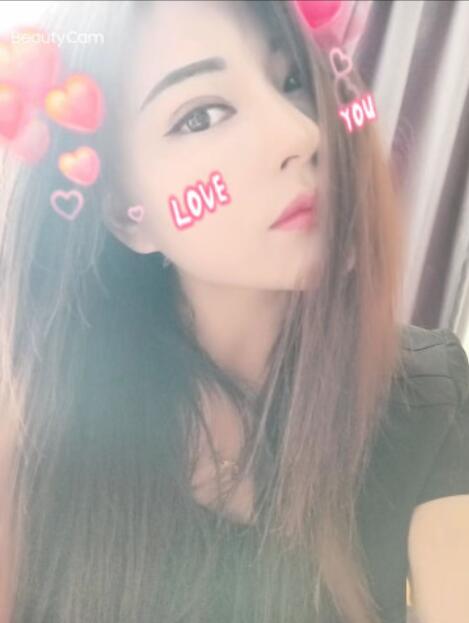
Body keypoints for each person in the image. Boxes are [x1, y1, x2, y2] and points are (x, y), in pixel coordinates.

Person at [0, 2, 467, 623]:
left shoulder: (425, 396)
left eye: (292, 80)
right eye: (200, 116)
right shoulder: (39, 432)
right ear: (126, 215)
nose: (300, 134)